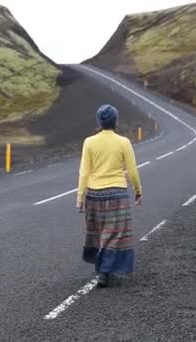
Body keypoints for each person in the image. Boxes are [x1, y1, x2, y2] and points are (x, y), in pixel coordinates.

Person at [76, 104, 143, 288]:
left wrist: (80, 197)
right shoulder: (123, 142)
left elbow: (84, 172)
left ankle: (102, 270)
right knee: (114, 233)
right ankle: (105, 271)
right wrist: (138, 190)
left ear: (99, 121)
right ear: (116, 121)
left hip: (94, 194)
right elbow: (132, 171)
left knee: (98, 233)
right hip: (117, 194)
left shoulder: (89, 142)